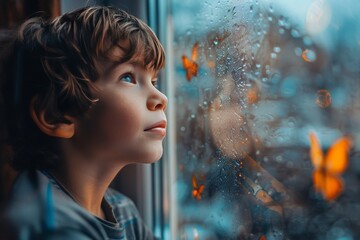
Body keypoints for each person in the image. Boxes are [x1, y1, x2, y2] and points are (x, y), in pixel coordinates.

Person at [0, 5, 167, 239]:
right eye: (128, 77)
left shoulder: (121, 209)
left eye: (154, 81)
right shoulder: (50, 227)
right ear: (57, 115)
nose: (161, 98)